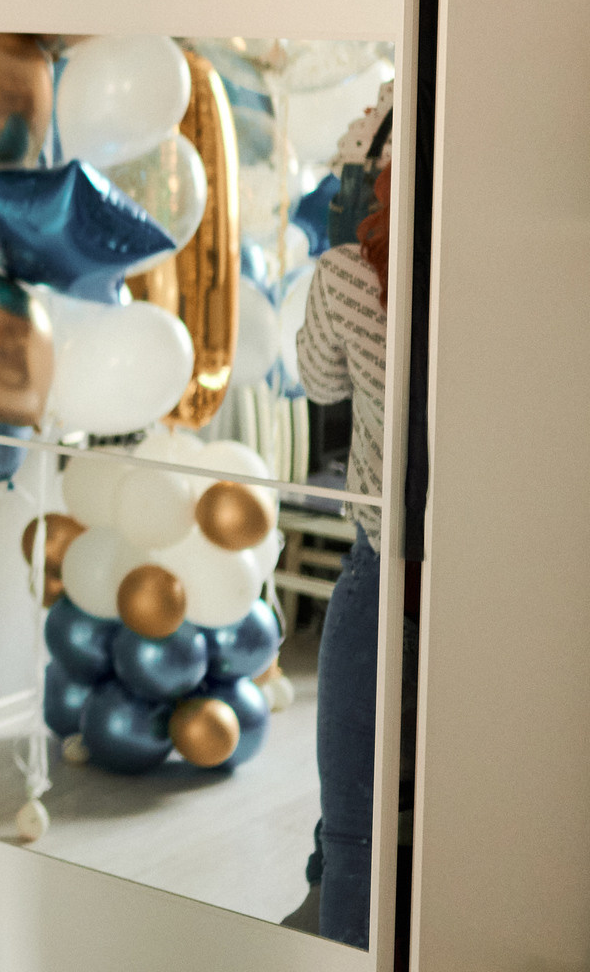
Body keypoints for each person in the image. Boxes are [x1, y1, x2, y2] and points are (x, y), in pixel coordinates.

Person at [295, 129, 416, 948]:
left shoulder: (349, 273)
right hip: (514, 586)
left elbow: (318, 381)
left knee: (352, 837)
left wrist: (345, 218)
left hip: (387, 574)